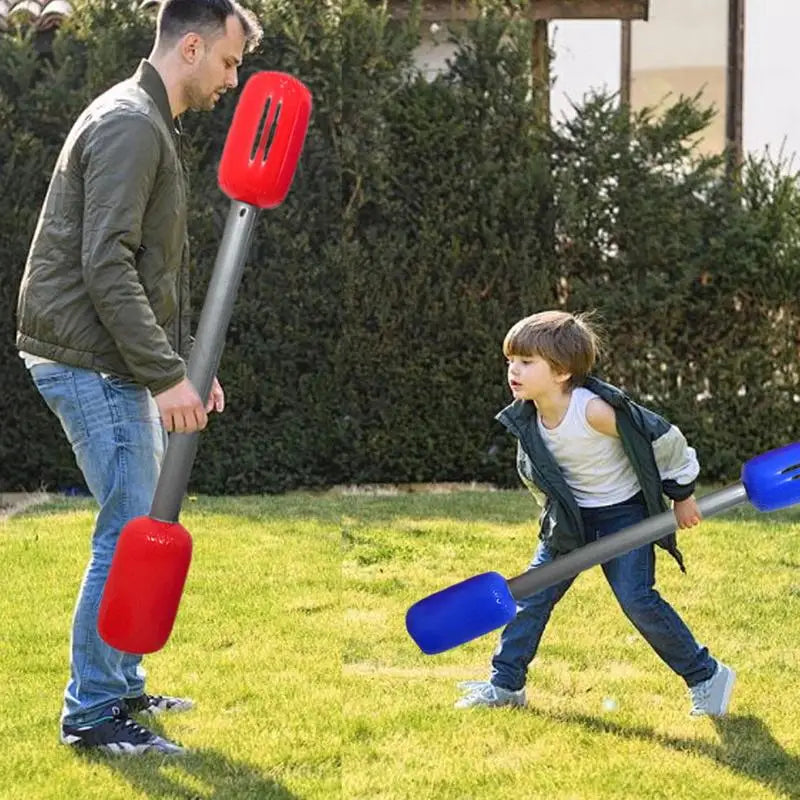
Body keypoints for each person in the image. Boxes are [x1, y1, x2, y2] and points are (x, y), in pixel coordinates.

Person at [15, 0, 262, 755]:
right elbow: (105, 264)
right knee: (125, 536)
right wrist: (165, 376)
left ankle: (119, 685)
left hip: (109, 355)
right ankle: (91, 715)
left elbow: (150, 271)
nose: (231, 80)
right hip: (91, 360)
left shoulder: (147, 120)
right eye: (227, 61)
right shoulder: (130, 123)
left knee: (136, 525)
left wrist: (188, 364)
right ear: (190, 46)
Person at [456, 310, 735, 717]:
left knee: (637, 599)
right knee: (531, 598)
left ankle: (707, 676)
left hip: (624, 515)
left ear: (563, 372)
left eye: (526, 362)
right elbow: (538, 478)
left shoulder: (593, 410)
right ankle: (505, 685)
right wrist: (552, 519)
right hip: (572, 520)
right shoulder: (528, 416)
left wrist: (682, 494)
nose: (513, 371)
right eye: (510, 361)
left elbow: (663, 439)